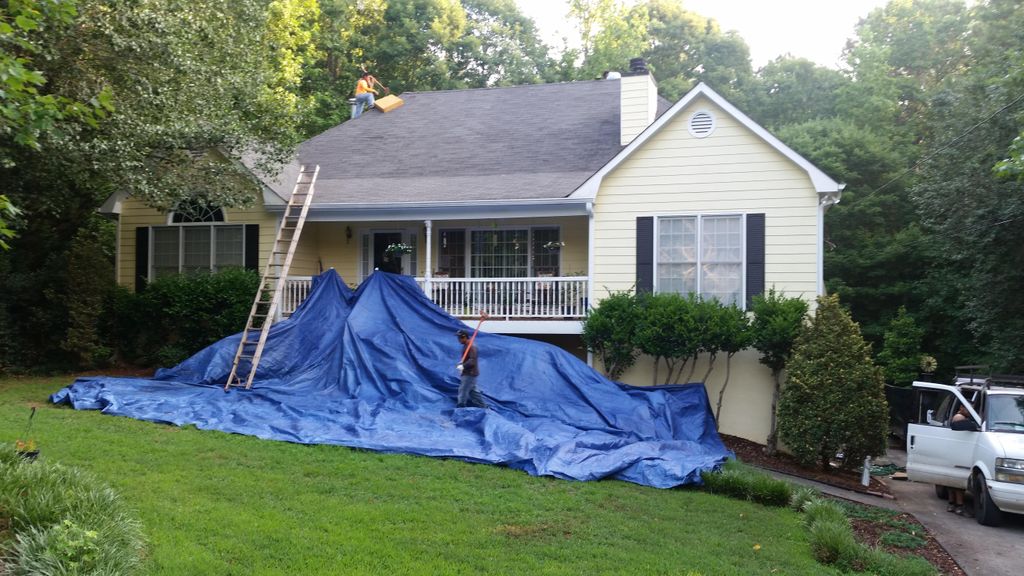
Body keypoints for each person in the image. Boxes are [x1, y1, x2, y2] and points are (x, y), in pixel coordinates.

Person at [946, 404, 975, 515]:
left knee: (952, 481)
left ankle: (952, 504)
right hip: (958, 452)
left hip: (953, 451)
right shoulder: (959, 418)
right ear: (962, 407)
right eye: (968, 408)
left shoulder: (959, 417)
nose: (970, 411)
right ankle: (959, 506)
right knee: (958, 483)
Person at [455, 329, 487, 408]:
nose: (458, 340)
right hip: (468, 372)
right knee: (473, 392)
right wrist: (462, 363)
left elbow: (472, 361)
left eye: (459, 338)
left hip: (470, 373)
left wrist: (463, 366)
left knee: (463, 390)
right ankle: (483, 406)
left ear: (464, 337)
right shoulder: (467, 345)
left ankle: (461, 407)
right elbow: (468, 358)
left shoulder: (472, 346)